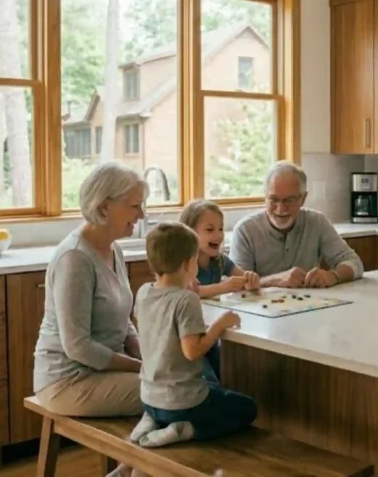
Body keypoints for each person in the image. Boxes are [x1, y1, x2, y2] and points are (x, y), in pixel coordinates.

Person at [32, 161, 148, 477]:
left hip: (101, 372)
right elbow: (79, 348)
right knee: (173, 392)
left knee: (176, 384)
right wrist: (141, 368)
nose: (141, 215)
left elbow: (124, 319)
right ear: (105, 207)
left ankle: (128, 471)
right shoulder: (75, 259)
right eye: (135, 206)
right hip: (67, 380)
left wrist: (143, 352)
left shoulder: (113, 250)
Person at [129, 221, 258, 448]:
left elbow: (156, 327)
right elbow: (192, 351)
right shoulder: (186, 300)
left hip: (148, 397)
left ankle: (152, 419)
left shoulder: (143, 292)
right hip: (183, 403)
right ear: (189, 264)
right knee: (247, 408)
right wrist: (220, 325)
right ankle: (186, 429)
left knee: (214, 391)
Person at [230, 160, 364, 288]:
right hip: (258, 309)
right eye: (273, 199)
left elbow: (355, 263)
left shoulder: (317, 222)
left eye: (289, 200)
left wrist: (332, 276)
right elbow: (236, 284)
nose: (280, 209)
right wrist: (276, 280)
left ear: (303, 199)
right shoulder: (245, 231)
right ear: (265, 197)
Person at [178, 199, 260, 381]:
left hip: (211, 330)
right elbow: (190, 292)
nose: (218, 235)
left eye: (221, 229)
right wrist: (224, 287)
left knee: (225, 372)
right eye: (210, 230)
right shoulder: (184, 264)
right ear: (190, 233)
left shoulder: (220, 261)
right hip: (188, 335)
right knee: (208, 378)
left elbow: (242, 276)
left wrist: (251, 280)